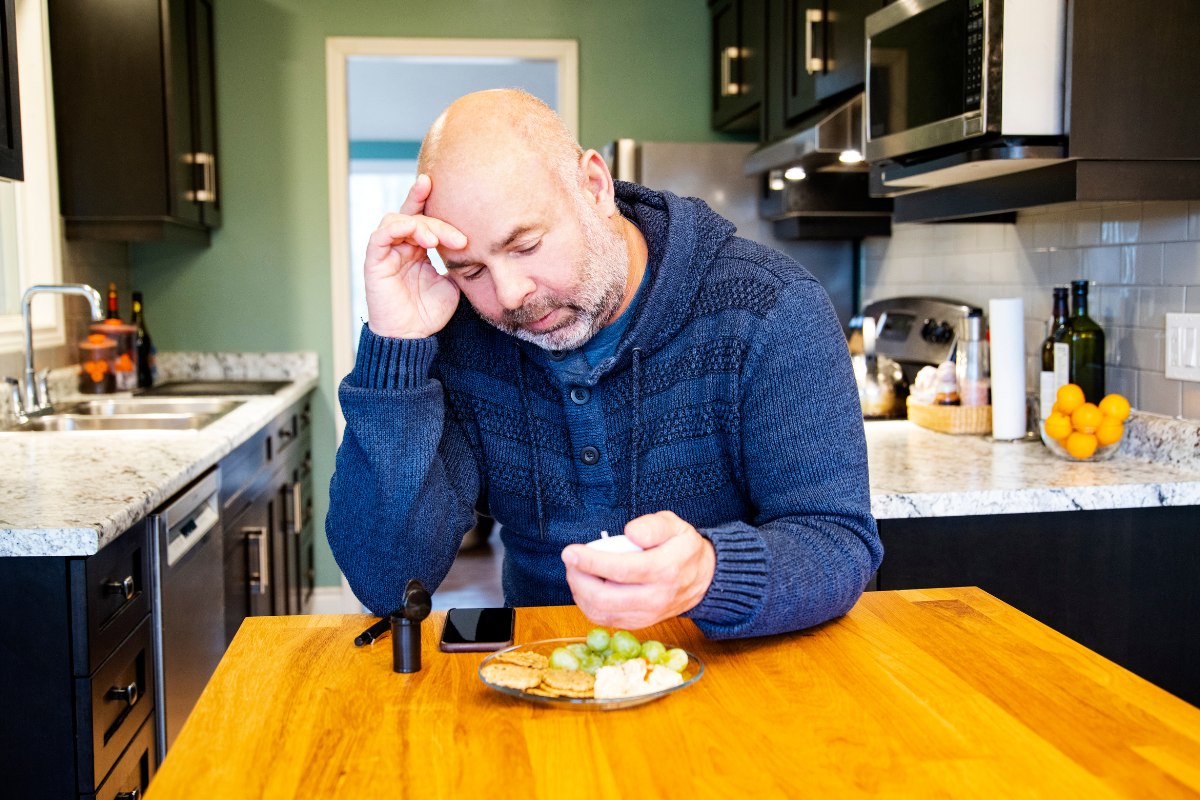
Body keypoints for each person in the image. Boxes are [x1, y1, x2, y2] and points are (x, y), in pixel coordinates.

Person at [327, 89, 881, 640]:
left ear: (594, 186)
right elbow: (386, 582)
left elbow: (838, 544)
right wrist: (393, 349)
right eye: (471, 271)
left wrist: (708, 575)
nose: (511, 295)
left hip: (733, 676)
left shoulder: (773, 308)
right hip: (545, 675)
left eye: (525, 246)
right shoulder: (463, 338)